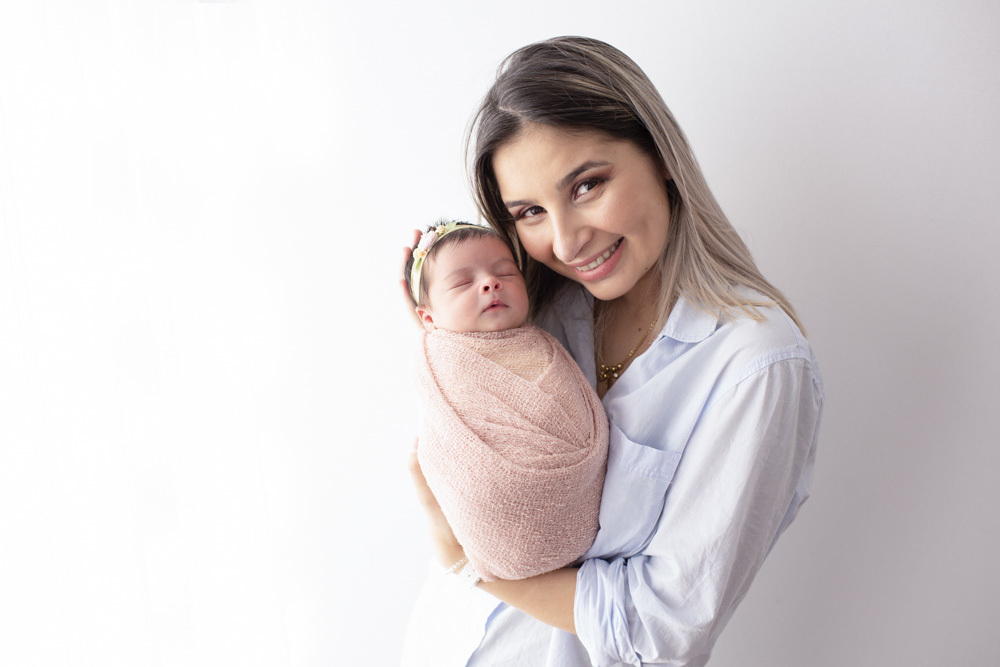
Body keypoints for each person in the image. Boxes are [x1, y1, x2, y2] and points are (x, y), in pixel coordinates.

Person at [403, 36, 824, 667]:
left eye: (587, 186)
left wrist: (465, 557)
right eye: (529, 212)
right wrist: (435, 309)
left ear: (659, 156)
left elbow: (657, 635)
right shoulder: (531, 310)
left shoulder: (753, 366)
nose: (566, 241)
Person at [405, 220, 608, 584]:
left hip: (579, 521)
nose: (490, 283)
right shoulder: (442, 361)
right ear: (428, 318)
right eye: (463, 282)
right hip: (489, 517)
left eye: (504, 272)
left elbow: (568, 412)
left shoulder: (544, 345)